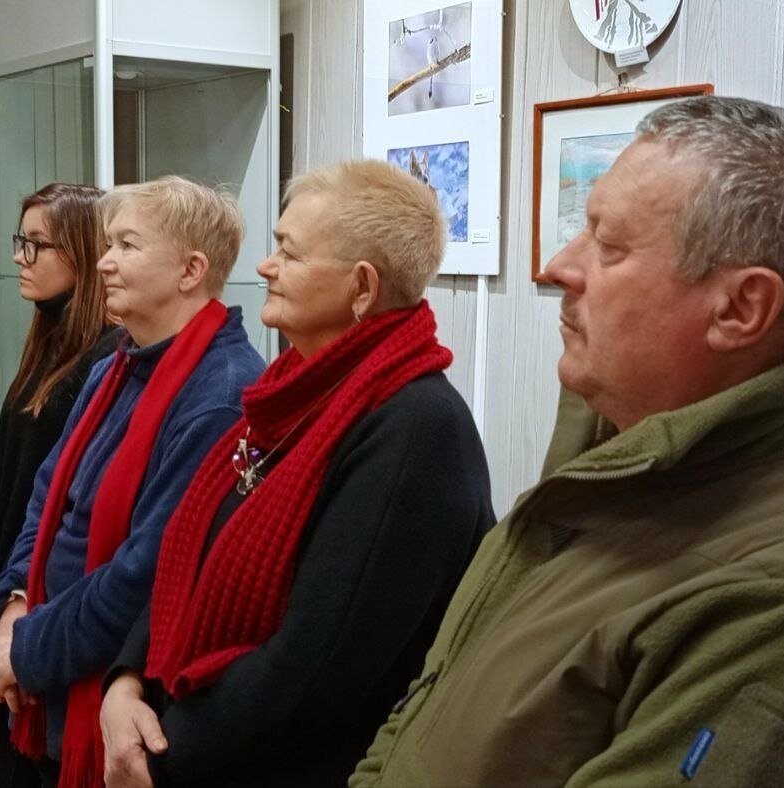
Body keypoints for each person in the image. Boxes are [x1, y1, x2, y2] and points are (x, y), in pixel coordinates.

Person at [351, 97, 784, 787]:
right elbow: (427, 710)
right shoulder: (610, 467)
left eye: (610, 246)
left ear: (741, 308)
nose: (560, 266)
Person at [99, 159, 495, 788]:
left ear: (361, 288)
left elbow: (312, 668)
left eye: (289, 251)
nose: (266, 266)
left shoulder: (416, 428)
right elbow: (190, 556)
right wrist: (126, 683)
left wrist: (163, 756)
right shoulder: (288, 395)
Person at [0, 175, 265, 788]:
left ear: (190, 270)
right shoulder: (113, 366)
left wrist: (25, 649)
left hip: (108, 692)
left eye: (127, 245)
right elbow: (45, 501)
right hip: (47, 675)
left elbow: (145, 573)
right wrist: (16, 605)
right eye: (108, 244)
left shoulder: (221, 393)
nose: (104, 262)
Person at [0, 183, 122, 788]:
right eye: (19, 242)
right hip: (10, 593)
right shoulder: (47, 343)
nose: (19, 258)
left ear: (82, 252)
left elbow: (74, 506)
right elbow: (4, 482)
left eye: (36, 245)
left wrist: (20, 599)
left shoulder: (108, 357)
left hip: (46, 608)